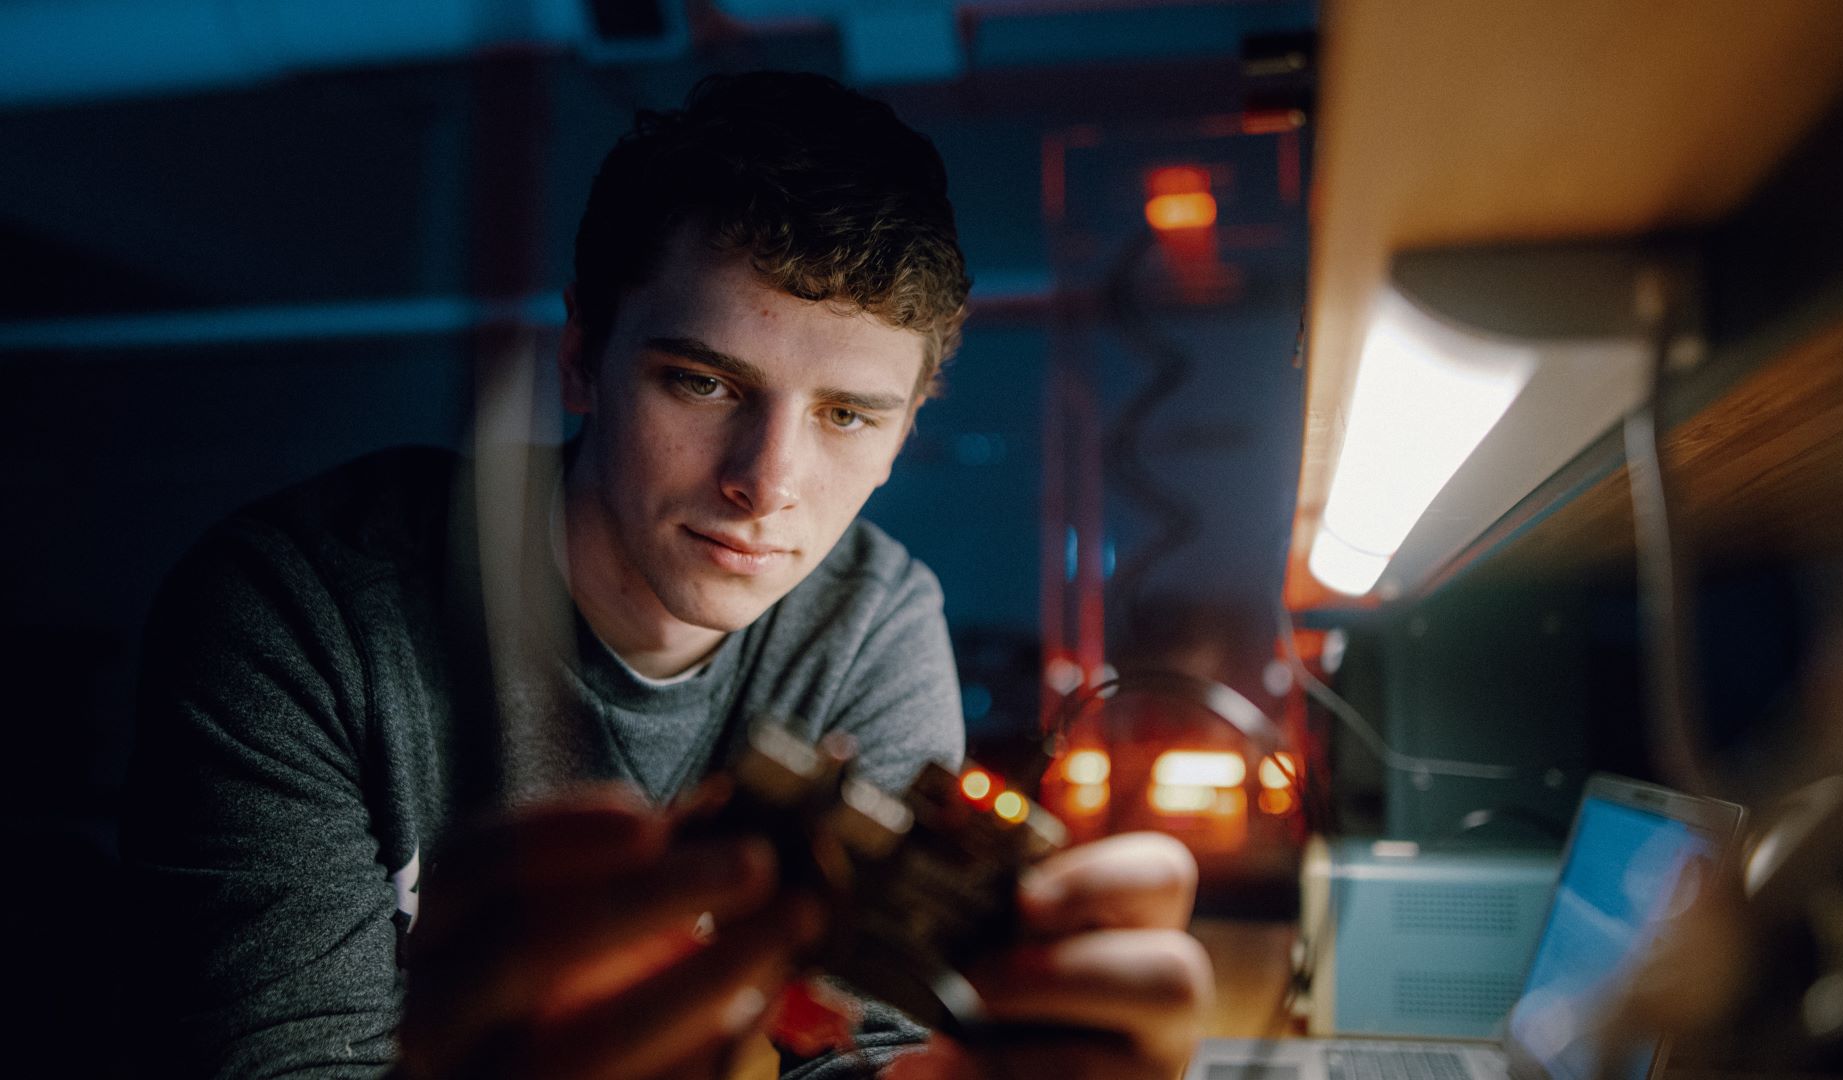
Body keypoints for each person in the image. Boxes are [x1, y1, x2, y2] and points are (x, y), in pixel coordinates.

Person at [121, 71, 1211, 1079]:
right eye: (702, 383)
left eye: (845, 416)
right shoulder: (301, 614)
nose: (766, 482)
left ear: (900, 438)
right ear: (582, 354)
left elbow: (855, 1055)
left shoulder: (869, 626)